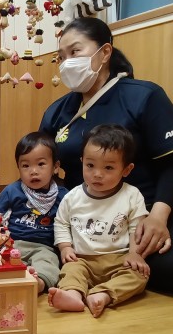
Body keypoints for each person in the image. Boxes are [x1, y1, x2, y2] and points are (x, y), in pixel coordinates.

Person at [39, 17, 173, 294]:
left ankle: (103, 270)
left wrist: (158, 218)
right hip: (79, 217)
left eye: (75, 51)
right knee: (29, 249)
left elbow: (172, 166)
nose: (67, 62)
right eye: (61, 56)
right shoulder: (57, 111)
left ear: (105, 52)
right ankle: (106, 270)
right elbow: (43, 166)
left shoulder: (146, 96)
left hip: (139, 215)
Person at [48, 124, 150, 318]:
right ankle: (73, 295)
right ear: (82, 162)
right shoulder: (72, 197)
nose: (97, 174)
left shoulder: (132, 195)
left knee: (139, 275)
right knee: (70, 270)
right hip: (82, 259)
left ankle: (103, 295)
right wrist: (65, 248)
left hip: (118, 259)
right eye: (90, 165)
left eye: (108, 167)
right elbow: (61, 223)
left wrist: (135, 253)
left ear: (126, 169)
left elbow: (137, 227)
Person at [0, 132, 68, 295]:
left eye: (41, 164)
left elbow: (69, 223)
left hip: (44, 247)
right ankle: (13, 279)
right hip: (13, 243)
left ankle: (38, 283)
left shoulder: (63, 196)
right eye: (26, 166)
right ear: (18, 168)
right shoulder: (12, 191)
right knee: (1, 260)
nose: (33, 171)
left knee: (48, 262)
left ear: (55, 167)